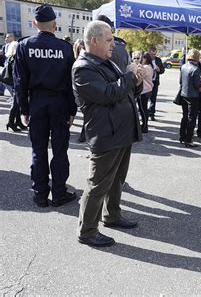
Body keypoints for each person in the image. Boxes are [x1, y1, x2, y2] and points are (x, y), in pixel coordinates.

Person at [73, 20, 144, 247]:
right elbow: (108, 93)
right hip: (106, 134)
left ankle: (112, 215)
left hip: (121, 131)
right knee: (98, 184)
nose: (113, 44)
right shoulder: (83, 67)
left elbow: (124, 88)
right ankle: (86, 231)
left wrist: (137, 80)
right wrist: (130, 76)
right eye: (109, 40)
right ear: (94, 41)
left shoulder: (104, 62)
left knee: (117, 179)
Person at [13, 4, 77, 207]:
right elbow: (71, 83)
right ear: (55, 25)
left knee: (38, 149)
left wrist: (23, 108)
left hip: (37, 103)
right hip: (59, 103)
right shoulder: (65, 48)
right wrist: (72, 109)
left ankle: (40, 193)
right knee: (60, 149)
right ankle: (59, 193)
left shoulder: (24, 46)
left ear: (34, 23)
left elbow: (19, 82)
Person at [179, 48, 201, 148]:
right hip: (193, 96)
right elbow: (197, 84)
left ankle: (182, 136)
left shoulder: (183, 66)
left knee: (184, 116)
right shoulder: (196, 69)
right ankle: (188, 140)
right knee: (191, 118)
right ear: (197, 57)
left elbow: (181, 81)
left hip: (183, 94)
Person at [4, 41, 27, 132]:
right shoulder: (15, 58)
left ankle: (18, 121)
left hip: (13, 83)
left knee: (16, 104)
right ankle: (10, 122)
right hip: (16, 84)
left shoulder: (10, 57)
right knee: (16, 104)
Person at [129, 52, 153, 133]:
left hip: (144, 91)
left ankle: (145, 126)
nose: (137, 60)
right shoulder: (148, 66)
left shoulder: (145, 67)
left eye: (138, 58)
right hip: (147, 89)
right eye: (135, 58)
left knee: (143, 110)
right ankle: (144, 125)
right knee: (143, 109)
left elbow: (138, 76)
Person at [147, 46, 165, 121]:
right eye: (152, 54)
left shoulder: (158, 60)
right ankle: (145, 113)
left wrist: (159, 69)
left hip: (155, 82)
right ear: (149, 53)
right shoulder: (146, 59)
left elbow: (162, 70)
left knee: (153, 99)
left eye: (154, 54)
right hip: (147, 82)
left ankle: (152, 114)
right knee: (145, 98)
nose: (153, 56)